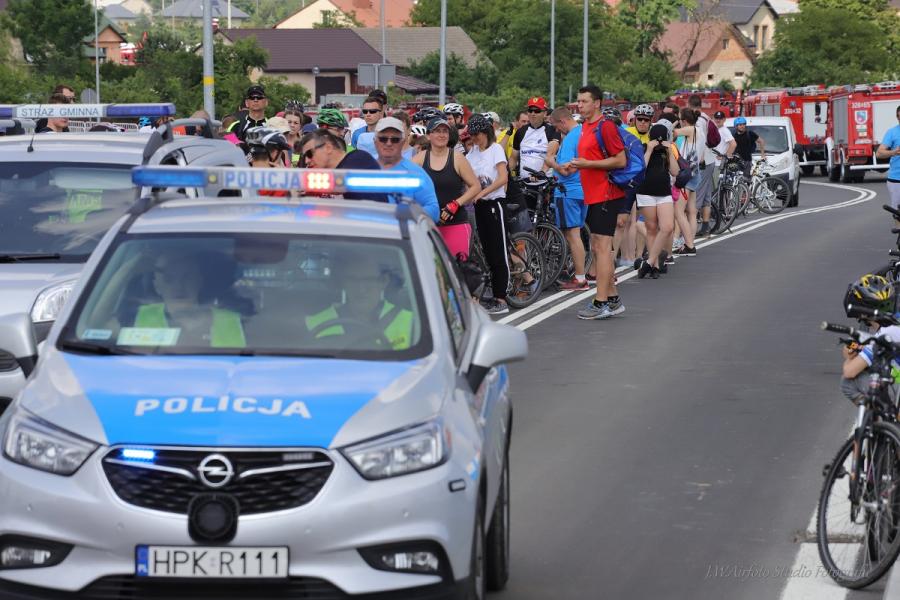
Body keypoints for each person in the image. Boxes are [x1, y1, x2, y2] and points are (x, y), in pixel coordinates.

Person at [569, 84, 627, 320]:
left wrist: (588, 164)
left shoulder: (606, 126)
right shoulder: (585, 127)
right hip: (593, 194)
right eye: (578, 101)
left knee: (602, 249)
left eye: (584, 101)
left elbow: (620, 160)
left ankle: (600, 301)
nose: (579, 105)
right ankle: (613, 300)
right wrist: (575, 165)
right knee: (598, 247)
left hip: (607, 194)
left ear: (597, 103)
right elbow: (590, 159)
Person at [134, 252, 246, 348]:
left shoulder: (231, 320)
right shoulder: (138, 315)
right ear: (157, 286)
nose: (179, 286)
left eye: (187, 277)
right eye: (169, 279)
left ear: (199, 281)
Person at [305, 253, 413, 351]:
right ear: (343, 282)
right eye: (353, 280)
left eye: (369, 280)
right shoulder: (315, 322)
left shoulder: (412, 322)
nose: (361, 289)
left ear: (384, 281)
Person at [466, 113, 516, 314]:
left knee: (498, 252)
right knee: (487, 251)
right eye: (471, 135)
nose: (474, 138)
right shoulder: (471, 154)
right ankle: (491, 293)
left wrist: (482, 192)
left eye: (477, 134)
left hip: (494, 203)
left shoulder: (495, 150)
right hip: (479, 206)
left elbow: (503, 178)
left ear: (485, 132)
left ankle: (501, 298)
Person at [412, 116, 481, 259]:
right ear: (428, 135)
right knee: (429, 269)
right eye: (437, 131)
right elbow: (407, 188)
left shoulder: (458, 158)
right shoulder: (419, 159)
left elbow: (475, 186)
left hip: (456, 223)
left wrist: (456, 203)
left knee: (459, 268)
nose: (442, 135)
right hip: (428, 225)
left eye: (445, 131)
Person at [546, 106, 589, 290]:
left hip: (568, 190)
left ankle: (580, 278)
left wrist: (550, 160)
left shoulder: (571, 137)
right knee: (576, 233)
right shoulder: (583, 133)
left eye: (556, 126)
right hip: (582, 189)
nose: (556, 130)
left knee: (572, 234)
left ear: (563, 121)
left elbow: (566, 170)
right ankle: (579, 274)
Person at [840, 275, 899, 405]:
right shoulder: (894, 322)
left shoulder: (885, 334)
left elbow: (849, 372)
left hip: (897, 384)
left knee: (848, 382)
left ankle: (881, 416)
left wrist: (852, 357)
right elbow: (849, 350)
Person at [634, 122, 680, 279]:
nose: (659, 143)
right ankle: (655, 266)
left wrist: (669, 151)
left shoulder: (667, 151)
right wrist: (649, 149)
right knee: (652, 228)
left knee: (667, 227)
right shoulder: (643, 147)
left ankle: (648, 262)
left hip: (664, 193)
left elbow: (675, 172)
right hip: (646, 193)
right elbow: (640, 169)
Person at [373, 117, 440, 222]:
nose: (389, 143)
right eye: (383, 139)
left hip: (404, 231)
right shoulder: (364, 169)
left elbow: (434, 210)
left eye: (395, 139)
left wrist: (407, 214)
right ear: (375, 141)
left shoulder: (415, 173)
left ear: (403, 142)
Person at [511, 97, 560, 177]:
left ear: (545, 113)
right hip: (524, 182)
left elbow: (551, 155)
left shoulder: (552, 130)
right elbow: (513, 158)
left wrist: (541, 172)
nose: (533, 114)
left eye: (537, 111)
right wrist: (507, 175)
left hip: (545, 180)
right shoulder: (520, 132)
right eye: (530, 110)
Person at [674, 108, 700, 257]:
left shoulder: (690, 129)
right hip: (696, 172)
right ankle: (690, 242)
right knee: (691, 211)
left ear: (684, 120)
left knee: (678, 211)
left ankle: (689, 245)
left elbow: (671, 133)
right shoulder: (700, 130)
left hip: (687, 174)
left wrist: (674, 123)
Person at [876, 104, 900, 214]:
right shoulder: (892, 132)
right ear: (897, 117)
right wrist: (893, 152)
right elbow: (879, 153)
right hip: (896, 180)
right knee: (897, 213)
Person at [710, 110, 737, 195]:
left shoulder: (724, 130)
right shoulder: (715, 129)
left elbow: (733, 144)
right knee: (713, 188)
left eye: (720, 118)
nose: (718, 120)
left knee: (715, 189)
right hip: (712, 163)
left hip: (718, 165)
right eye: (716, 118)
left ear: (724, 119)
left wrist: (725, 156)